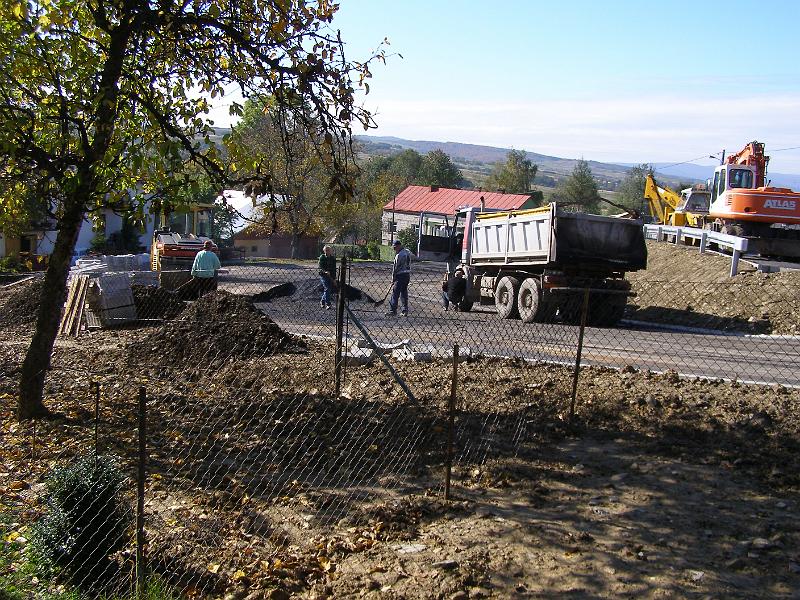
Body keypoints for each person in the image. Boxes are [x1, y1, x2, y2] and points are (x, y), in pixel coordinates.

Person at [386, 239, 411, 317]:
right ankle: (405, 310)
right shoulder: (407, 252)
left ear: (399, 246)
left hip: (400, 275)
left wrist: (393, 278)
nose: (394, 249)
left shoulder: (399, 255)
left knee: (395, 293)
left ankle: (392, 310)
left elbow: (395, 268)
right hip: (407, 275)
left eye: (395, 247)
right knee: (403, 293)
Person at [318, 245, 336, 309]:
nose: (327, 251)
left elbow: (334, 269)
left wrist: (334, 279)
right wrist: (325, 271)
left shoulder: (333, 258)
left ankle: (322, 301)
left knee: (328, 290)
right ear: (324, 251)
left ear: (331, 251)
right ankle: (328, 304)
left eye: (328, 250)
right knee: (327, 288)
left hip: (331, 276)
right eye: (326, 250)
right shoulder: (322, 257)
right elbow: (320, 266)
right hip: (323, 276)